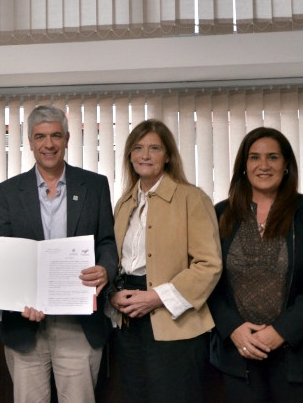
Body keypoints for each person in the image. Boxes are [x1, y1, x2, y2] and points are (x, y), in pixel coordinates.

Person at [0, 105, 118, 403]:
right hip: (25, 325)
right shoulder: (8, 191)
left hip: (78, 324)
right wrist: (16, 298)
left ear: (67, 138)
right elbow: (2, 254)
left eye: (55, 136)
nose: (48, 144)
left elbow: (107, 242)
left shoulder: (95, 186)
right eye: (40, 137)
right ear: (30, 141)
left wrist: (106, 269)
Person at [210, 127, 303, 402]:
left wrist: (280, 332)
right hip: (238, 353)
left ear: (286, 166)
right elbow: (207, 279)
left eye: (273, 157)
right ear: (244, 166)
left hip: (299, 357)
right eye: (254, 157)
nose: (263, 165)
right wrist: (233, 328)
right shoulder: (221, 214)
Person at [109, 119, 222, 403]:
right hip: (128, 324)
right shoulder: (123, 203)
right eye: (138, 147)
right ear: (130, 156)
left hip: (176, 323)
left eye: (154, 148)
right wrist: (112, 295)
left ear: (168, 155)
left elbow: (209, 265)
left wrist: (157, 297)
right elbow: (117, 261)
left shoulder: (191, 198)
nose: (145, 155)